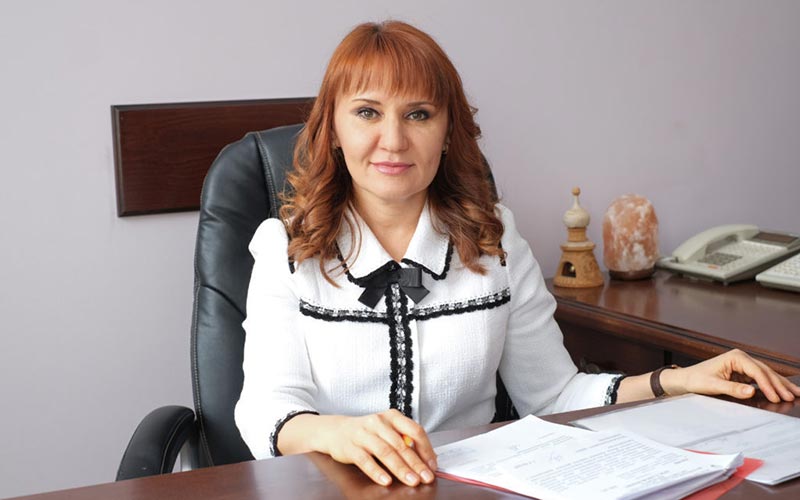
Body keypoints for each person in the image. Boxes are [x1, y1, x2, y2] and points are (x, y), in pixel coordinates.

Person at [235, 20, 800, 488]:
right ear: (333, 128)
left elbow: (554, 394)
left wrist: (673, 381)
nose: (394, 140)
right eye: (367, 112)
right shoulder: (285, 248)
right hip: (329, 488)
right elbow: (267, 411)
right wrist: (339, 433)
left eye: (418, 114)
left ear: (448, 132)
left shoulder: (495, 241)